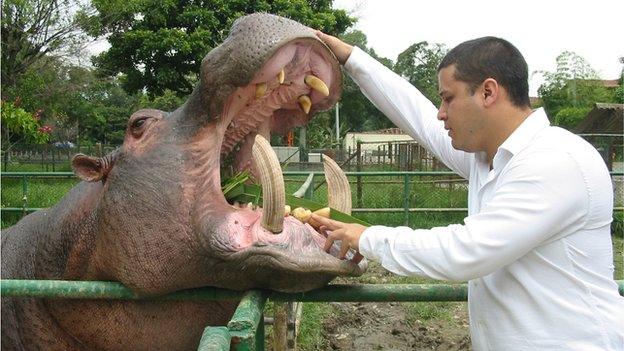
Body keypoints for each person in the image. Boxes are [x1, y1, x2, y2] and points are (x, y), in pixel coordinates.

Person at [312, 32, 624, 350]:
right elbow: (417, 117)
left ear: (488, 92)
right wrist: (351, 57)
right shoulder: (487, 156)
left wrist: (367, 237)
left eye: (448, 98)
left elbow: (468, 251)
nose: (440, 112)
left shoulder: (555, 160)